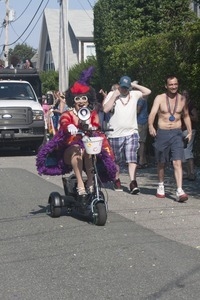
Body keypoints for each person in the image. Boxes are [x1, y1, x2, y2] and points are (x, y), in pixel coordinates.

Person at [36, 67, 116, 203]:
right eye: (77, 98)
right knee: (77, 150)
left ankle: (90, 181)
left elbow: (96, 124)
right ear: (73, 100)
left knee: (89, 149)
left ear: (88, 100)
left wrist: (92, 126)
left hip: (88, 147)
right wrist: (70, 127)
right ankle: (80, 183)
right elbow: (64, 122)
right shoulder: (67, 114)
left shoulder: (92, 114)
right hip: (70, 150)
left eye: (83, 98)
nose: (80, 101)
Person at [103, 76, 151, 194]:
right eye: (122, 87)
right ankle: (117, 179)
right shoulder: (112, 94)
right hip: (115, 133)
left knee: (132, 158)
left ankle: (133, 182)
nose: (124, 90)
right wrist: (114, 95)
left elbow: (148, 92)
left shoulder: (133, 94)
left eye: (126, 87)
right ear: (119, 85)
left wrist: (134, 86)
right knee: (117, 160)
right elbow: (105, 109)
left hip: (131, 132)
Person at [148, 75, 192, 202]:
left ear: (178, 85)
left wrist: (189, 131)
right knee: (161, 162)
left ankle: (179, 190)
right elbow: (152, 113)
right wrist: (151, 126)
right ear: (166, 86)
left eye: (175, 84)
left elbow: (186, 115)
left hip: (177, 133)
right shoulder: (160, 98)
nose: (173, 87)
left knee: (177, 161)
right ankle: (161, 185)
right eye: (171, 84)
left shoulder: (182, 99)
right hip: (162, 132)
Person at [181, 90, 198, 181]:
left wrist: (186, 115)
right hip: (180, 130)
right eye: (183, 93)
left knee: (188, 150)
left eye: (186, 93)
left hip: (190, 130)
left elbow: (196, 118)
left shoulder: (191, 105)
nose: (185, 95)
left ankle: (191, 173)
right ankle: (187, 173)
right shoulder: (179, 104)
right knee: (183, 151)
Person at [137, 97, 148, 168]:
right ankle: (144, 160)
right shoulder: (142, 98)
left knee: (141, 142)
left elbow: (137, 110)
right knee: (141, 141)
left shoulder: (141, 99)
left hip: (141, 122)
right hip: (142, 121)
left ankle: (141, 161)